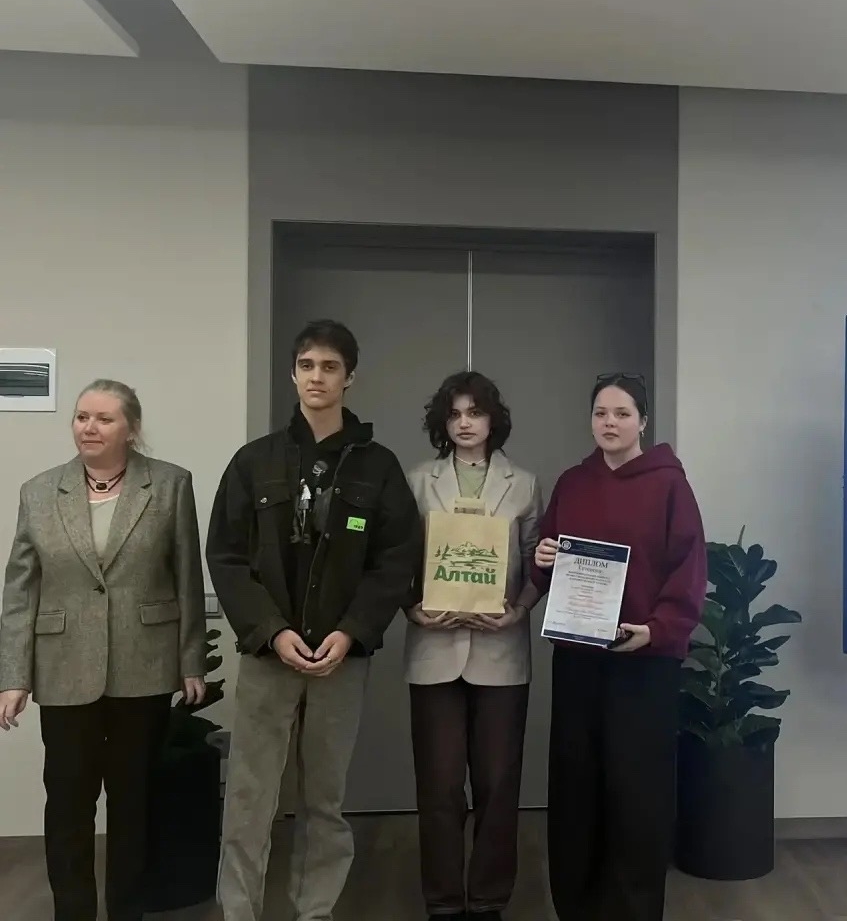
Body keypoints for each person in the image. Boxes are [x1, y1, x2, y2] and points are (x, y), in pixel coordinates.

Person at [207, 319, 421, 921]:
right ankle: (239, 911)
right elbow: (226, 556)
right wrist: (271, 631)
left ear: (350, 377)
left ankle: (315, 910)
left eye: (330, 367)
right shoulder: (254, 462)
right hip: (268, 656)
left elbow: (395, 560)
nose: (317, 377)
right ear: (293, 374)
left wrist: (350, 631)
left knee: (325, 799)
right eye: (307, 366)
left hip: (339, 660)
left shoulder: (378, 467)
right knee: (249, 798)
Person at [0, 379, 206, 921]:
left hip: (145, 663)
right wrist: (13, 675)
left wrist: (190, 660)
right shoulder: (39, 491)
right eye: (81, 417)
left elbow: (187, 576)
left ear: (131, 429)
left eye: (103, 419)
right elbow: (19, 590)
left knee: (134, 803)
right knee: (67, 803)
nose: (88, 427)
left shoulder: (170, 484)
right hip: (63, 667)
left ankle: (127, 911)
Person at [532, 373, 706, 921]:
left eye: (622, 413)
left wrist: (657, 629)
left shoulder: (669, 486)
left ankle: (632, 909)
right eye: (601, 413)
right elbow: (546, 558)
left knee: (638, 794)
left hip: (644, 663)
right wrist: (542, 557)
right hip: (579, 660)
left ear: (643, 422)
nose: (610, 423)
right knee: (575, 785)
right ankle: (576, 905)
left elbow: (689, 569)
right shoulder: (573, 483)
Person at [403, 370, 542, 921]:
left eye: (475, 412)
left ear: (492, 420)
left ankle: (487, 900)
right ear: (443, 422)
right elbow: (397, 560)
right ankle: (442, 902)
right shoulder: (417, 481)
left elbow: (537, 563)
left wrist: (520, 611)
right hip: (433, 649)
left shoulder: (524, 483)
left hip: (502, 652)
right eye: (455, 413)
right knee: (438, 788)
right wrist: (411, 607)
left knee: (498, 785)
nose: (465, 423)